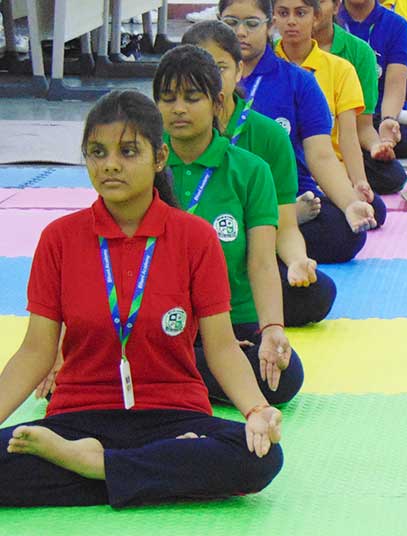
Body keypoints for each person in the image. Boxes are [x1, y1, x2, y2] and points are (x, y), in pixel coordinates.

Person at [0, 90, 283, 508]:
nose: (110, 164)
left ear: (159, 157)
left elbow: (221, 347)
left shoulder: (195, 238)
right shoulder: (59, 239)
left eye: (128, 151)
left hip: (171, 414)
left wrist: (256, 410)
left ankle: (97, 467)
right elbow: (34, 352)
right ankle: (143, 473)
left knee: (261, 456)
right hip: (78, 415)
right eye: (97, 152)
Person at [153, 45, 304, 405]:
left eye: (192, 98)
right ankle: (189, 368)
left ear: (217, 103)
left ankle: (159, 377)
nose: (178, 109)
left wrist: (272, 330)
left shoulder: (251, 170)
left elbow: (263, 262)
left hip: (233, 318)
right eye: (167, 98)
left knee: (283, 377)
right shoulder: (146, 165)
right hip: (161, 321)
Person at [182, 20, 337, 327]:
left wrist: (296, 261)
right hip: (178, 271)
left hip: (248, 261)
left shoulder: (268, 136)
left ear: (239, 70)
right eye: (196, 73)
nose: (209, 82)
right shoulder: (160, 139)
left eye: (220, 69)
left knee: (317, 293)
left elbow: (286, 226)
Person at [219, 0, 377, 264]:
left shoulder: (299, 81)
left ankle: (269, 228)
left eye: (252, 23)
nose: (241, 32)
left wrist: (350, 203)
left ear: (270, 26)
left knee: (345, 233)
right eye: (231, 23)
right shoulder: (206, 79)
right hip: (223, 194)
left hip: (287, 194)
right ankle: (276, 226)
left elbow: (322, 156)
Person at [271, 0, 389, 228]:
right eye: (283, 13)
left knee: (373, 211)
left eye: (301, 13)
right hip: (281, 174)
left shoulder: (340, 69)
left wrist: (358, 182)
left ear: (315, 17)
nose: (292, 21)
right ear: (273, 20)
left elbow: (349, 135)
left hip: (327, 168)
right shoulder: (266, 66)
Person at [313, 0, 407, 194]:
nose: (313, 11)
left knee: (393, 175)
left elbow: (361, 126)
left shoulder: (359, 52)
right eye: (286, 12)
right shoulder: (275, 52)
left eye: (320, 2)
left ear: (336, 6)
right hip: (295, 150)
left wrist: (377, 145)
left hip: (342, 146)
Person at [339, 0, 407, 159]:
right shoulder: (329, 22)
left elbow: (395, 85)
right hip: (337, 114)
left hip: (376, 114)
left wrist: (388, 120)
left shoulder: (396, 25)